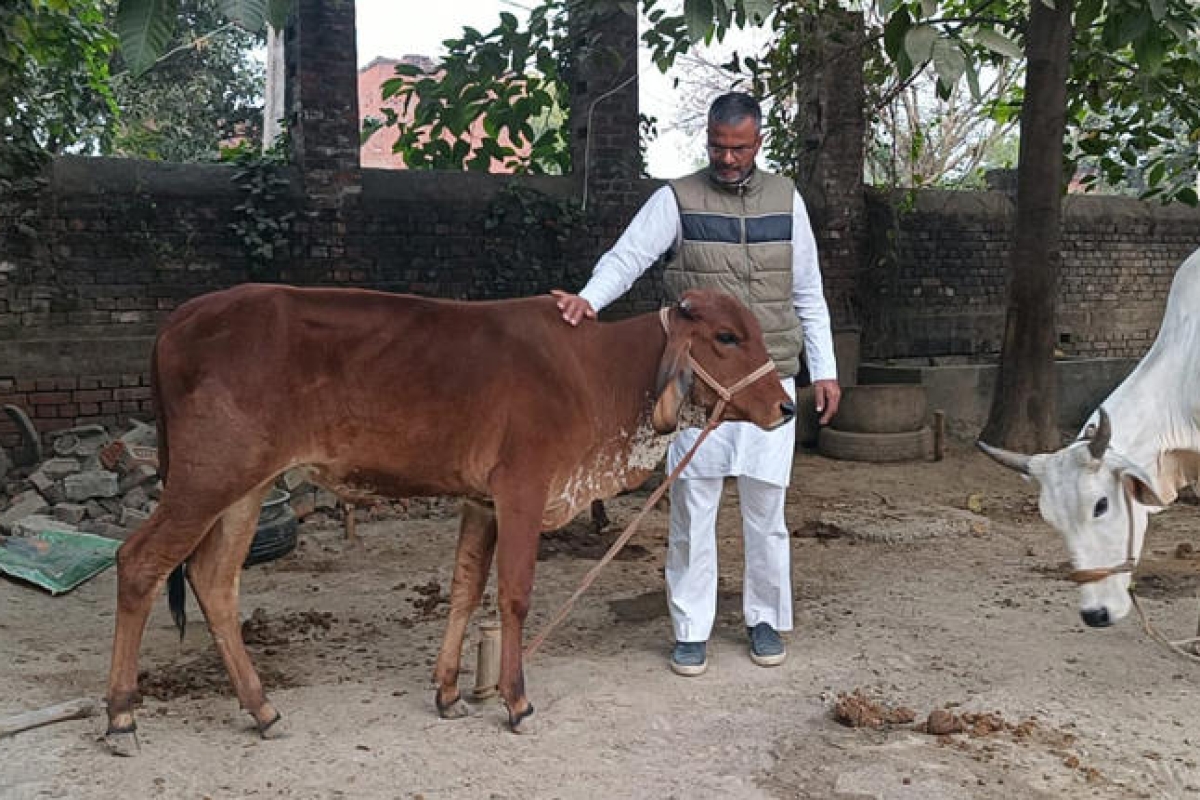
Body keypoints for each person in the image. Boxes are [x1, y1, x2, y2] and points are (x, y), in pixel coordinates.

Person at [553, 92, 841, 676]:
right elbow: (628, 256)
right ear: (706, 138)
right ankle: (690, 629)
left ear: (759, 143)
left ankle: (764, 620)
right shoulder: (677, 198)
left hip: (767, 379)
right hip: (697, 389)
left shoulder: (787, 201)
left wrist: (826, 368)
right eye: (717, 145)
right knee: (692, 510)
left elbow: (807, 291)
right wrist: (588, 300)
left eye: (738, 147)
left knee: (766, 511)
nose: (727, 157)